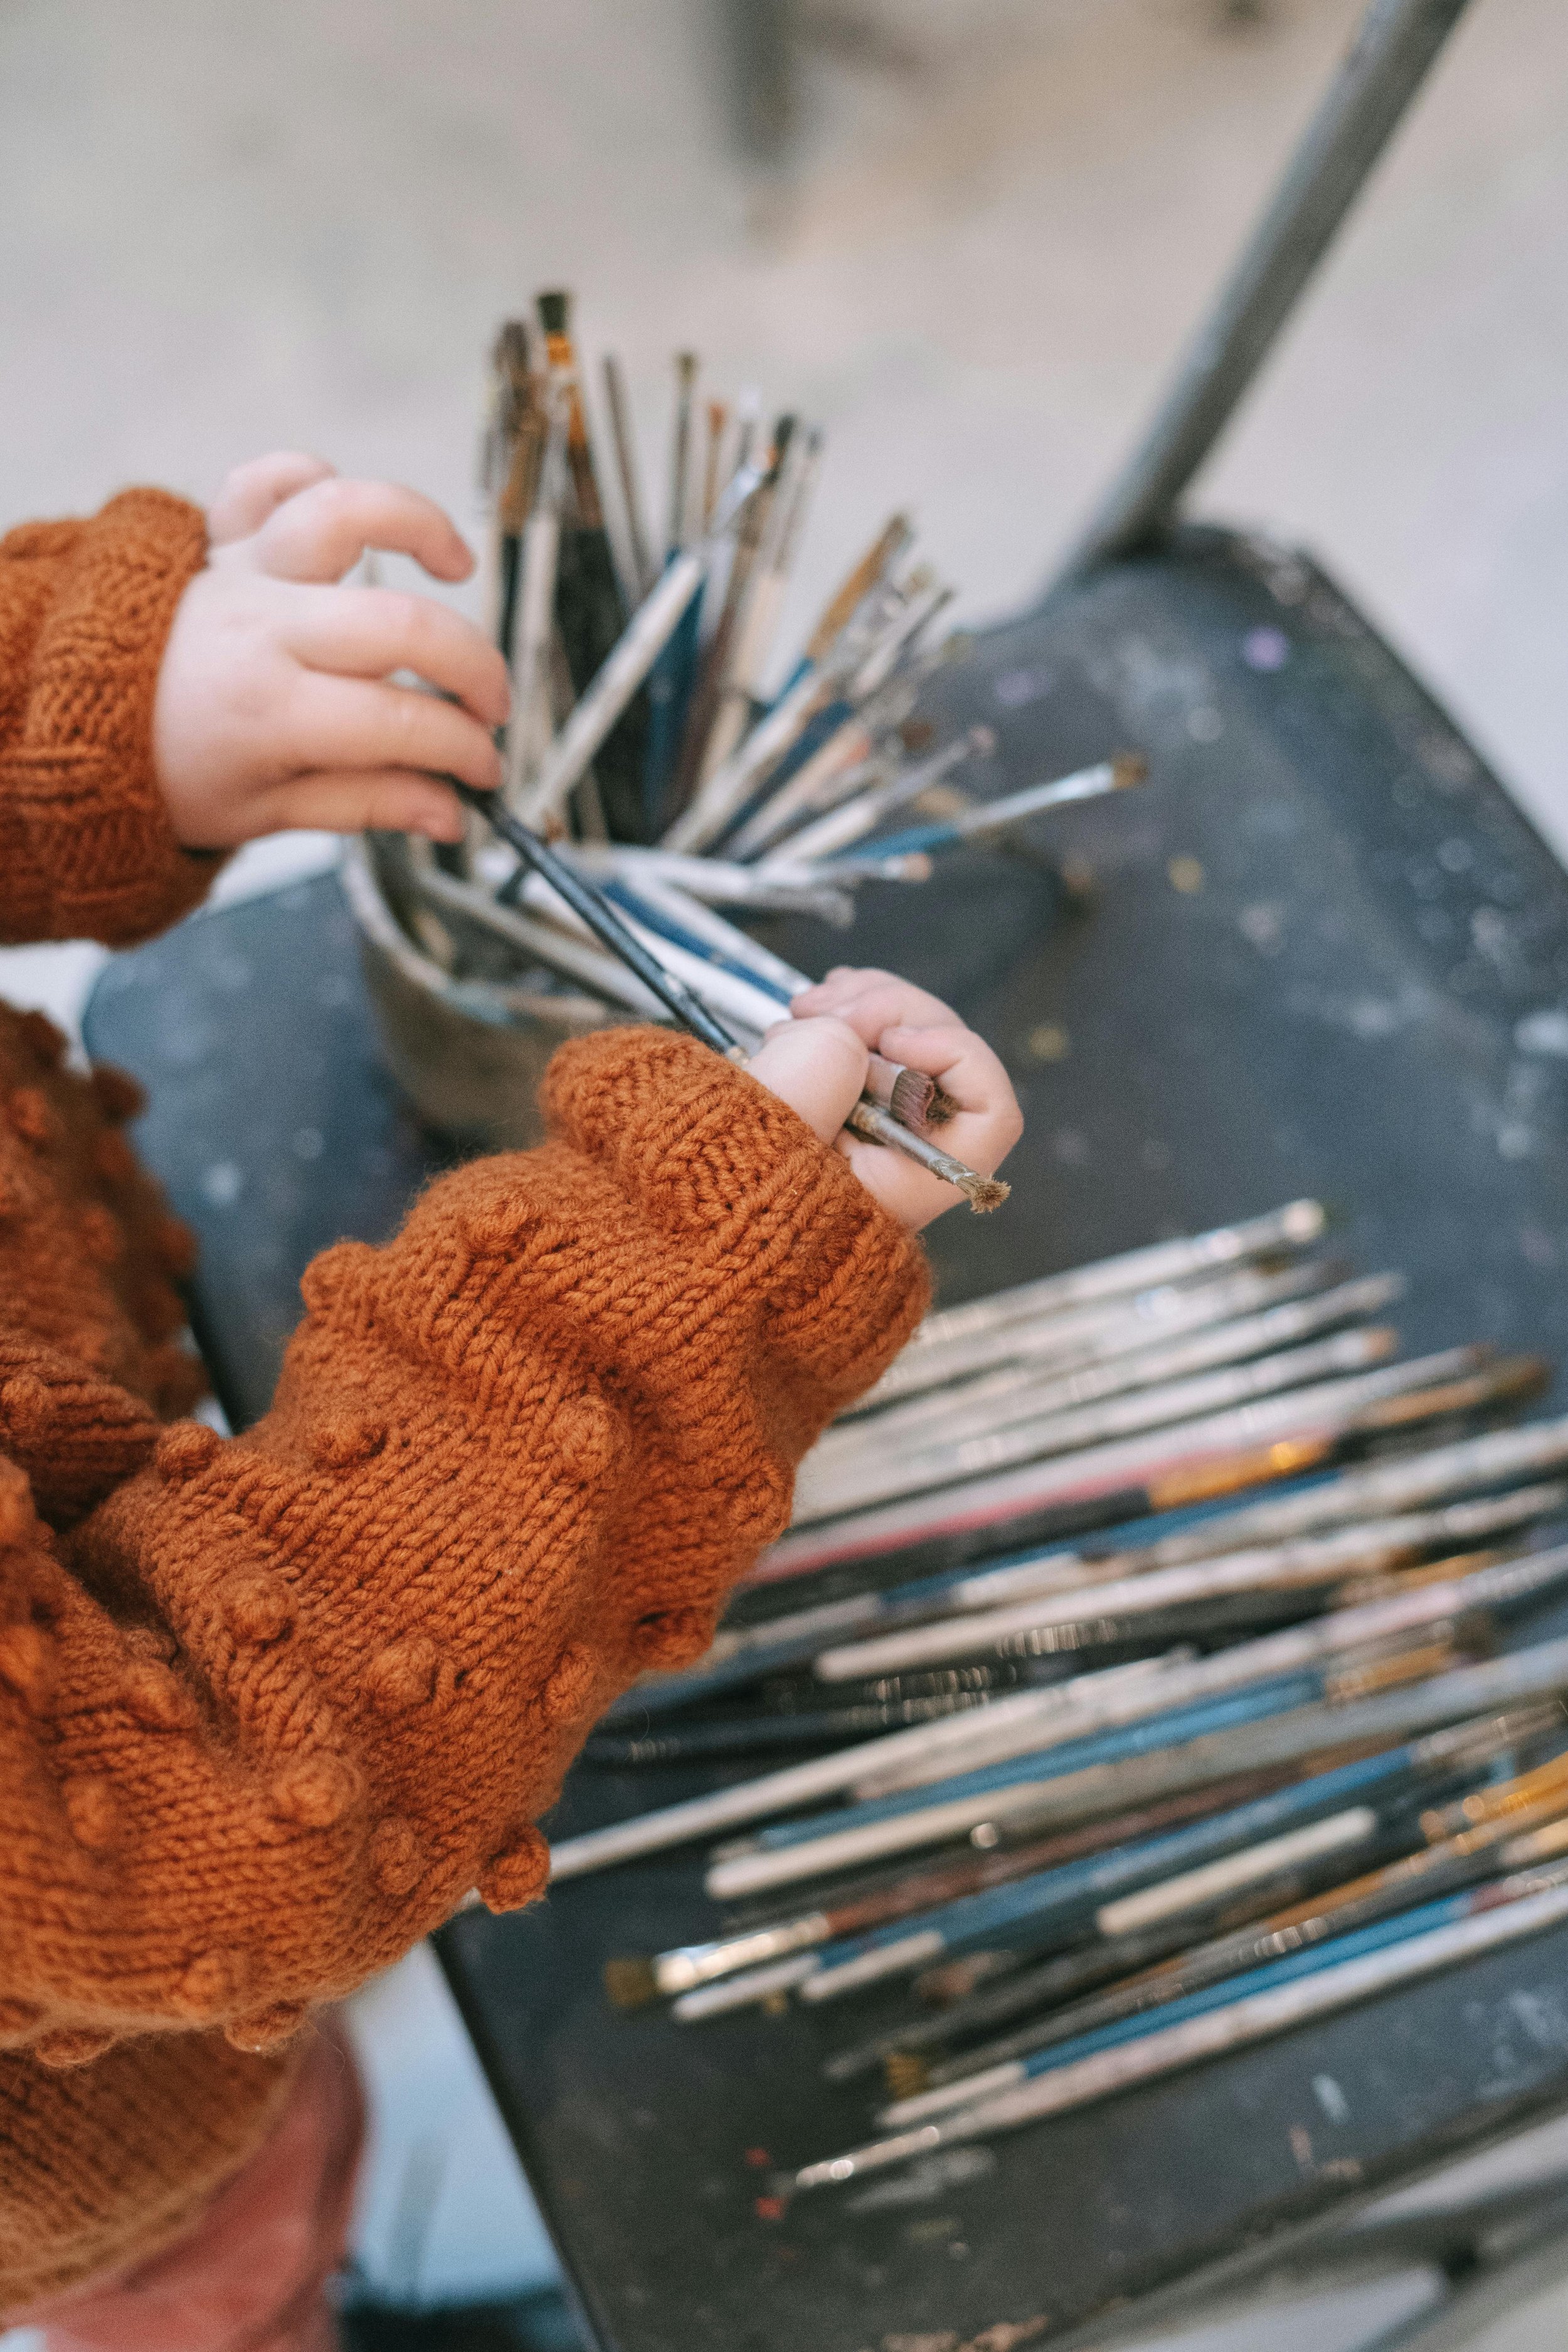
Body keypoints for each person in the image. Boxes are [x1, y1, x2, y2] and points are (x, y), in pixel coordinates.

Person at [0, 453, 1022, 2350]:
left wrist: (78, 702)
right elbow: (216, 1807)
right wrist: (662, 1286)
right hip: (93, 2113)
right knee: (215, 2217)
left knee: (274, 2068)